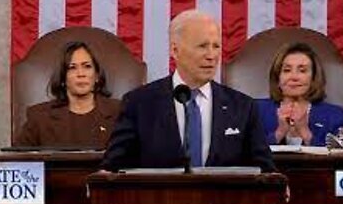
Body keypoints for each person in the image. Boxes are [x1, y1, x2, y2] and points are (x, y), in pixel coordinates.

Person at [102, 10, 275, 172]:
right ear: (175, 50)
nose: (211, 55)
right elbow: (113, 169)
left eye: (216, 46)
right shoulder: (139, 104)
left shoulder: (243, 107)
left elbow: (265, 172)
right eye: (202, 46)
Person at [14, 41, 120, 148]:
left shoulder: (120, 112)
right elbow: (17, 161)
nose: (81, 74)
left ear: (97, 75)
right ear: (63, 78)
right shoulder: (40, 117)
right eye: (72, 67)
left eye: (87, 66)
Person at [256, 42, 343, 146]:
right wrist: (279, 133)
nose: (294, 77)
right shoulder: (256, 110)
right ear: (277, 78)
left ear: (313, 78)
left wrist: (305, 132)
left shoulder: (334, 115)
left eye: (302, 71)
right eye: (287, 70)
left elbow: (338, 157)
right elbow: (246, 153)